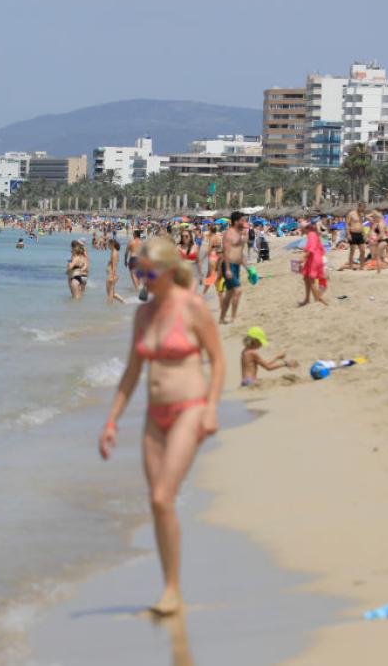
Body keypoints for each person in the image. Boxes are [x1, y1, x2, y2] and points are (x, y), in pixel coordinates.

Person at [99, 237, 225, 615]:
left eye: (150, 272)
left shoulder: (193, 308)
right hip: (154, 417)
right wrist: (111, 420)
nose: (143, 278)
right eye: (139, 272)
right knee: (159, 504)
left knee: (160, 497)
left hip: (190, 408)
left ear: (170, 271)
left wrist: (211, 409)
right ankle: (171, 587)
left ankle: (172, 590)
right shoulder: (143, 315)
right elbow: (132, 371)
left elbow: (218, 362)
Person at [218, 213, 246, 324]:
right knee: (238, 290)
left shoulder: (239, 234)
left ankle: (221, 318)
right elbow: (226, 252)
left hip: (236, 266)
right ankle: (234, 318)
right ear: (235, 222)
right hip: (229, 266)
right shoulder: (228, 234)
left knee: (229, 294)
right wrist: (228, 269)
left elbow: (240, 254)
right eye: (242, 221)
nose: (244, 223)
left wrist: (247, 268)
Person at [299, 223, 328, 307]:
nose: (300, 230)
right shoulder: (312, 234)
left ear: (305, 229)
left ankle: (318, 300)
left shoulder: (311, 235)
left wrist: (303, 258)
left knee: (311, 280)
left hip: (314, 259)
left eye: (301, 228)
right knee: (306, 278)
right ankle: (307, 299)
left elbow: (311, 249)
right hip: (313, 258)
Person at [201, 223, 223, 295]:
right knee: (209, 275)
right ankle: (203, 293)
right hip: (219, 256)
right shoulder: (219, 237)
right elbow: (221, 247)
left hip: (212, 256)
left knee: (212, 275)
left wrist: (203, 257)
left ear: (210, 231)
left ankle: (219, 291)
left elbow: (209, 249)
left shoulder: (212, 238)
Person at [346, 202, 366, 269]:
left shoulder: (362, 214)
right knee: (352, 250)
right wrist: (348, 234)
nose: (363, 209)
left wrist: (364, 234)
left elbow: (361, 224)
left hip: (360, 234)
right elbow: (347, 224)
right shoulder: (351, 214)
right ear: (359, 207)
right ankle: (351, 266)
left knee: (363, 250)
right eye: (362, 208)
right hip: (353, 233)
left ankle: (362, 266)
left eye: (364, 208)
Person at [106, 239, 126, 304]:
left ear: (112, 245)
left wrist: (112, 276)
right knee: (111, 292)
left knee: (110, 292)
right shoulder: (113, 252)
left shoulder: (114, 253)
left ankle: (110, 305)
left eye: (108, 244)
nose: (107, 246)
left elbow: (114, 266)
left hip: (111, 274)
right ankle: (123, 302)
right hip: (110, 273)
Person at [126, 229, 145, 296]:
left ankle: (137, 289)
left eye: (133, 234)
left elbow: (126, 252)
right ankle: (139, 286)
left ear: (135, 235)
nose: (132, 235)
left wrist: (125, 260)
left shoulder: (131, 242)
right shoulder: (142, 243)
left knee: (133, 274)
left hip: (133, 258)